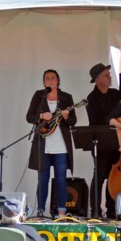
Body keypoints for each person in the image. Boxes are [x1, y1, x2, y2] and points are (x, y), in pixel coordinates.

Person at [26, 69, 77, 218]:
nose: (50, 80)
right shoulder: (39, 95)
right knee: (43, 179)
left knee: (61, 179)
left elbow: (73, 121)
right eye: (47, 78)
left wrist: (67, 117)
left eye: (53, 78)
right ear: (44, 82)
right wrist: (41, 115)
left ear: (58, 81)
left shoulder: (67, 97)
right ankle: (41, 210)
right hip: (43, 144)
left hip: (61, 145)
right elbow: (29, 116)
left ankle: (61, 211)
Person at [85, 63, 121, 219]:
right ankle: (95, 211)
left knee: (113, 177)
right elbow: (96, 119)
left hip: (116, 142)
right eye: (106, 75)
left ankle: (112, 211)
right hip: (100, 142)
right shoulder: (91, 98)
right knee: (100, 176)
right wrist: (114, 119)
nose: (110, 77)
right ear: (98, 80)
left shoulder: (117, 95)